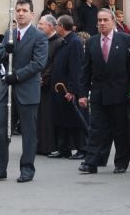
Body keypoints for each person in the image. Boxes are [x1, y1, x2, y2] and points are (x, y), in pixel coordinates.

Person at [0, 0, 48, 182]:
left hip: (27, 90)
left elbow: (39, 63)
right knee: (1, 129)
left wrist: (17, 76)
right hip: (7, 91)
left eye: (24, 10)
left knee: (28, 132)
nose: (20, 13)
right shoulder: (10, 33)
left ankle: (27, 169)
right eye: (18, 10)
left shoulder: (39, 36)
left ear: (32, 14)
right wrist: (6, 50)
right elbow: (0, 55)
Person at [78, 9, 130, 175]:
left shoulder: (125, 40)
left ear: (113, 21)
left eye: (105, 20)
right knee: (95, 129)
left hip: (119, 93)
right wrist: (82, 93)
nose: (102, 23)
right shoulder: (92, 42)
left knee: (120, 129)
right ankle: (91, 162)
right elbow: (86, 70)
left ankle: (121, 161)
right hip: (98, 93)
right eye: (99, 20)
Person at [51, 14, 86, 159]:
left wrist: (72, 90)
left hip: (69, 89)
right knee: (62, 119)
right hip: (60, 89)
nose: (55, 27)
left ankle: (82, 149)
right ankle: (64, 148)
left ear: (62, 27)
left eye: (57, 25)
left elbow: (76, 68)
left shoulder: (75, 42)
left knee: (74, 120)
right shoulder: (64, 41)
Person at [36, 15, 63, 156]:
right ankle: (39, 144)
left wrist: (44, 78)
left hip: (49, 84)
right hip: (37, 82)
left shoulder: (59, 42)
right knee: (38, 116)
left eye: (42, 24)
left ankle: (48, 145)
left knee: (47, 116)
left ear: (51, 26)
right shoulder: (40, 40)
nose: (39, 26)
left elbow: (54, 64)